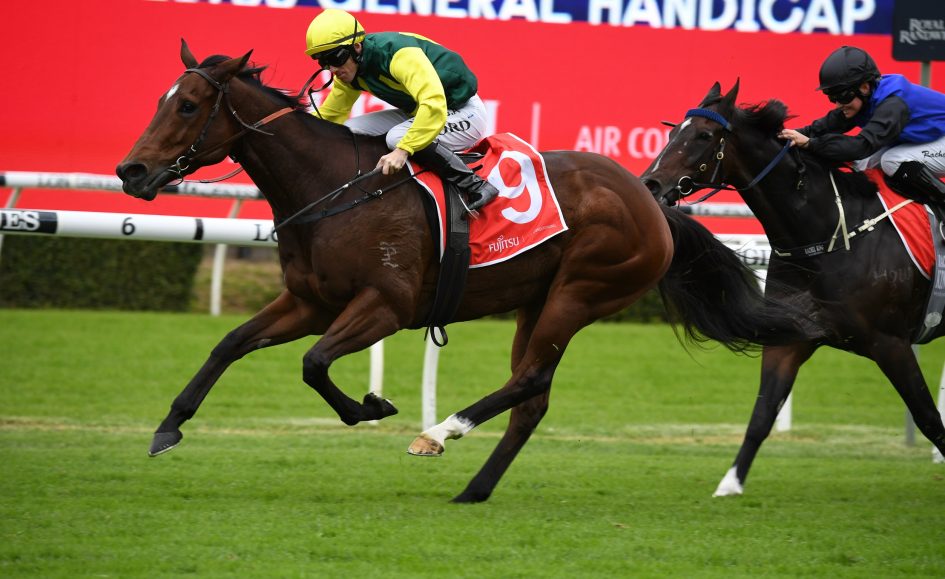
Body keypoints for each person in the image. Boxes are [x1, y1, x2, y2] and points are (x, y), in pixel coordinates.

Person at [304, 9, 499, 212]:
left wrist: (403, 150)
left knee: (397, 138)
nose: (332, 69)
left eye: (335, 58)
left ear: (356, 47)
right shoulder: (350, 71)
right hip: (421, 111)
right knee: (349, 131)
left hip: (464, 112)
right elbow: (329, 117)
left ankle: (475, 185)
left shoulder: (397, 54)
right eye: (324, 62)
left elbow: (433, 103)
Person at [778, 45, 945, 207]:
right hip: (931, 139)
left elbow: (860, 147)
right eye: (833, 98)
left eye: (842, 97)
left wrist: (810, 144)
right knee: (861, 165)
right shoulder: (862, 99)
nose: (838, 105)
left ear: (864, 87)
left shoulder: (892, 105)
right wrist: (779, 136)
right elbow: (815, 130)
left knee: (892, 160)